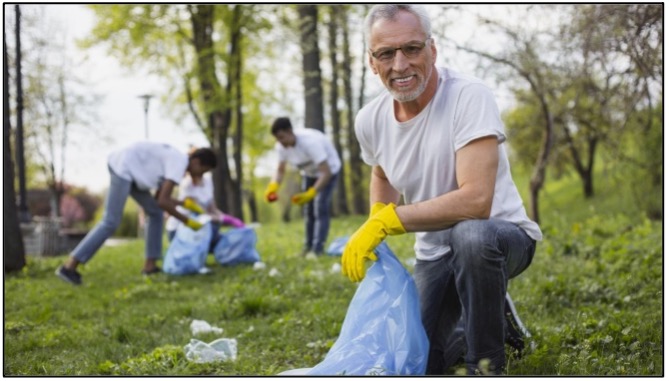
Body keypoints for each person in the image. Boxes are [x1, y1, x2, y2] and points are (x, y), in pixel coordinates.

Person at [341, 4, 542, 375]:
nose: (400, 65)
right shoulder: (369, 119)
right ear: (372, 62)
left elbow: (477, 201)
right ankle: (490, 312)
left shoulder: (469, 97)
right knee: (421, 361)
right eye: (386, 53)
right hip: (434, 254)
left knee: (471, 236)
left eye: (412, 49)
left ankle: (487, 365)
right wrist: (375, 224)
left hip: (501, 239)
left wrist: (391, 221)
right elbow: (382, 173)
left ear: (432, 50)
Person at [55, 142, 218, 286]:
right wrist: (188, 221)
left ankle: (150, 266)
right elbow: (163, 201)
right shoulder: (179, 163)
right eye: (203, 171)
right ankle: (69, 267)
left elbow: (159, 200)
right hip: (123, 167)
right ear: (196, 162)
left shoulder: (177, 161)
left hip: (132, 171)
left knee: (154, 212)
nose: (200, 176)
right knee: (111, 221)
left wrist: (183, 204)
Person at [264, 117, 341, 256]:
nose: (280, 142)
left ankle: (318, 249)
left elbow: (326, 172)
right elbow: (280, 170)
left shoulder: (310, 142)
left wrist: (311, 193)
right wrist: (273, 186)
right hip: (309, 173)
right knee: (308, 210)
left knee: (319, 207)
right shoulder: (281, 147)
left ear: (290, 131)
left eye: (281, 137)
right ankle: (308, 247)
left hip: (329, 172)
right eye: (277, 139)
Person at [165, 164, 244, 248]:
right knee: (213, 226)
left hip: (200, 225)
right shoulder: (187, 185)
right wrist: (225, 219)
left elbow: (212, 208)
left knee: (224, 242)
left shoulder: (208, 180)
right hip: (179, 229)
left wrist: (227, 218)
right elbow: (199, 214)